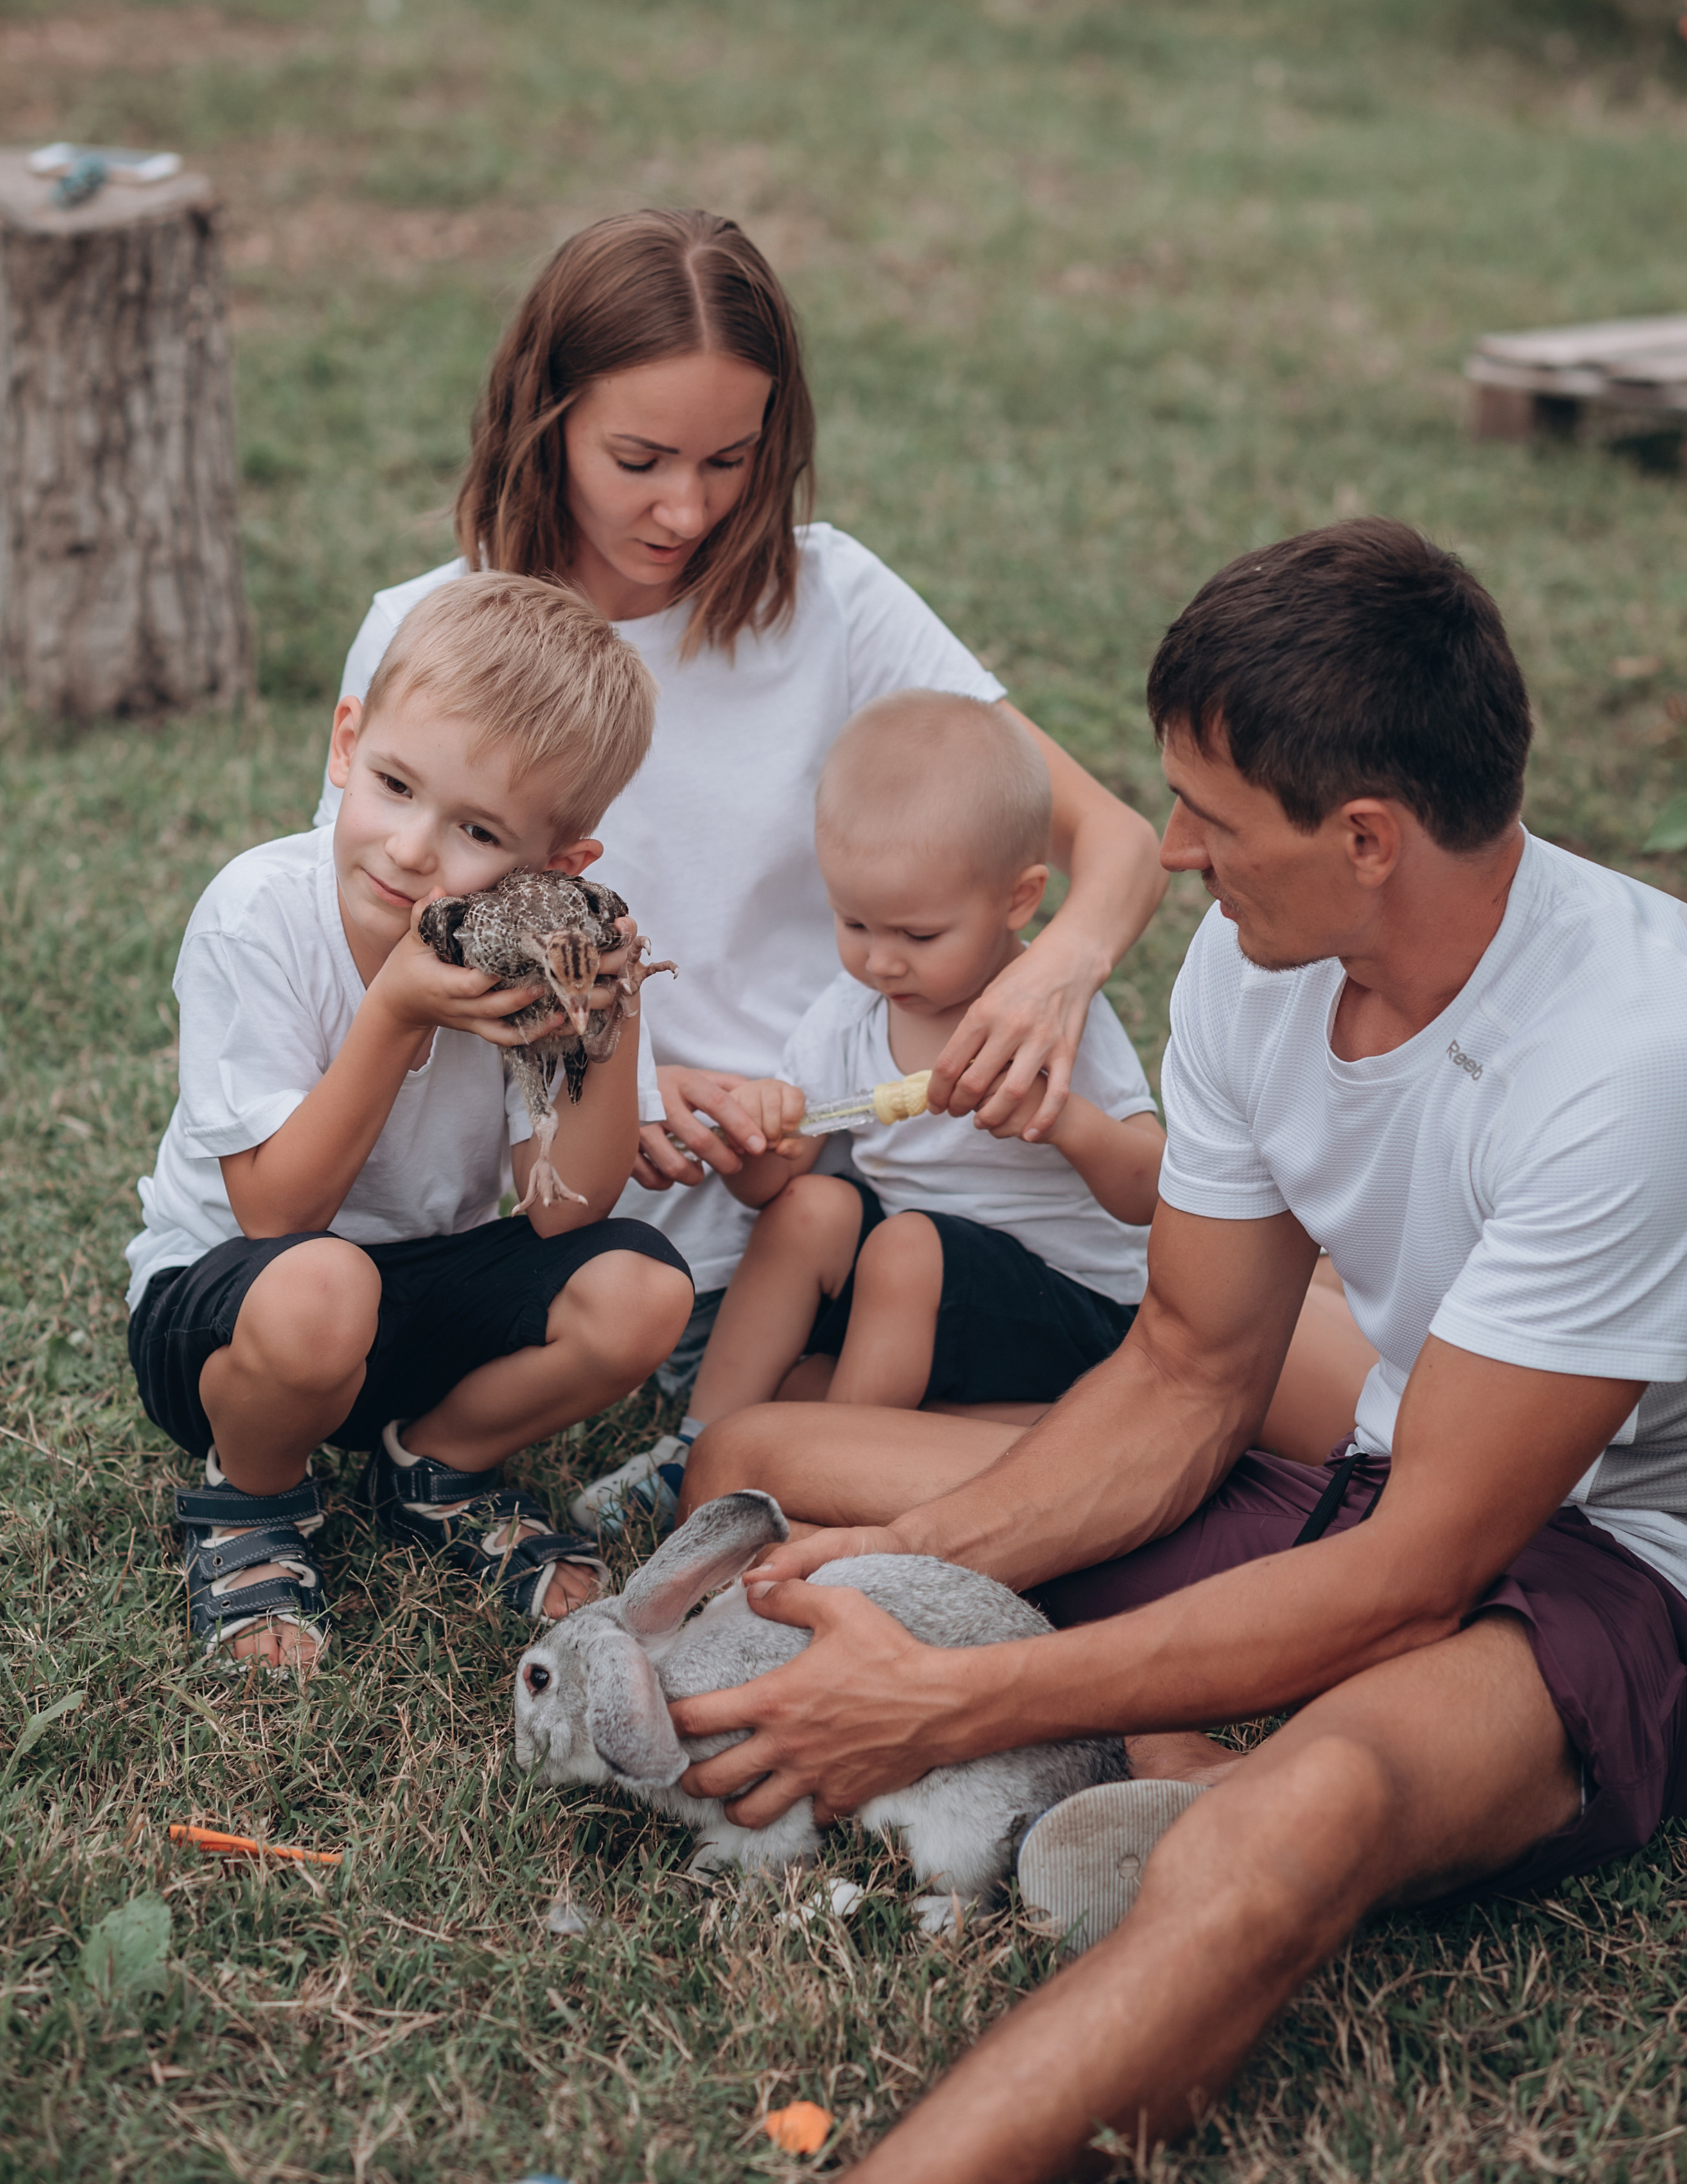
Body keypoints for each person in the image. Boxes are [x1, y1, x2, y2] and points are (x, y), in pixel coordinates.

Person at [668, 521, 1687, 2184]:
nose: (1166, 852)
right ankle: (1150, 1742)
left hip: (1648, 1568)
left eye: (1207, 814)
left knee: (1302, 1819)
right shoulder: (1264, 977)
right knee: (790, 1473)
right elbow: (1183, 1374)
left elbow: (1416, 1571)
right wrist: (899, 1563)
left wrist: (948, 1692)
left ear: (1366, 836)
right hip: (1388, 1463)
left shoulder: (1639, 1047)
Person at [312, 207, 1172, 1522]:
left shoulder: (829, 601)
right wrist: (624, 1079)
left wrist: (1057, 970)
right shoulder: (434, 633)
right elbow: (388, 956)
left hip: (865, 1196)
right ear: (544, 415)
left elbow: (1112, 840)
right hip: (600, 1230)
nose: (688, 507)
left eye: (731, 456)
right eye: (640, 456)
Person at [126, 576, 694, 1671]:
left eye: (477, 828)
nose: (412, 848)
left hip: (414, 1299)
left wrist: (603, 1024)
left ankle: (433, 1463)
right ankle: (253, 1499)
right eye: (394, 785)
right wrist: (393, 1012)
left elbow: (561, 1208)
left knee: (642, 1290)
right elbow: (278, 1211)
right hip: (230, 1314)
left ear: (561, 864)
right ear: (347, 742)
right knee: (323, 1281)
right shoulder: (259, 911)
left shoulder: (541, 946)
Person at [573, 691, 1164, 1528]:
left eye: (918, 935)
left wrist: (1062, 1118)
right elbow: (771, 1190)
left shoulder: (1040, 1016)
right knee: (815, 1205)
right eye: (852, 922)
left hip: (1070, 1309)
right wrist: (765, 1131)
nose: (881, 960)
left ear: (1018, 900)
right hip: (921, 1302)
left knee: (905, 1248)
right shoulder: (850, 1013)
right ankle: (699, 1446)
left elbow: (1150, 1192)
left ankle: (826, 1485)